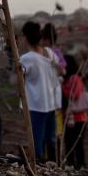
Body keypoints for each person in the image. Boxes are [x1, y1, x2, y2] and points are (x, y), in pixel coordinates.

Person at [19, 21, 59, 162]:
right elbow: (59, 70)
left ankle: (40, 166)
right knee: (50, 138)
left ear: (25, 37)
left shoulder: (26, 59)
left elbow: (18, 80)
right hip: (50, 103)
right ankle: (54, 166)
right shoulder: (50, 53)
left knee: (37, 139)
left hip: (36, 105)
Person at [41, 23, 67, 151]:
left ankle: (54, 158)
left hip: (53, 97)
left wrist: (54, 63)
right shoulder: (42, 52)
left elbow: (63, 71)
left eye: (44, 39)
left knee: (53, 132)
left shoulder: (54, 52)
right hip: (47, 98)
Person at [61, 54, 88, 168]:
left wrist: (63, 90)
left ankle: (80, 165)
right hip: (69, 117)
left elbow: (75, 94)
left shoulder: (75, 78)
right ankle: (71, 163)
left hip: (78, 117)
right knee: (69, 142)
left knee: (77, 143)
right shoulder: (66, 79)